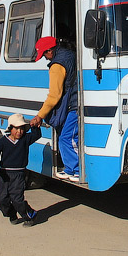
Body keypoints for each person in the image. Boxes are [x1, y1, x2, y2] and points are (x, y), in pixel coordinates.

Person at [30, 36, 79, 182]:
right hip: (75, 102)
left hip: (73, 105)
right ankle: (70, 169)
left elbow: (54, 95)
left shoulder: (57, 65)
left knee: (66, 137)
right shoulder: (71, 54)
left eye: (44, 54)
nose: (45, 58)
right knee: (68, 137)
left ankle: (76, 170)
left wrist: (40, 115)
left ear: (50, 50)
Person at [0, 114, 42, 226]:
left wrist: (34, 126)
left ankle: (30, 215)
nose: (19, 131)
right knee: (1, 199)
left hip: (18, 174)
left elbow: (37, 135)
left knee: (17, 198)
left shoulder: (25, 139)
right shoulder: (4, 141)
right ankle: (12, 214)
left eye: (22, 128)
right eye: (16, 128)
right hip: (4, 174)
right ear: (10, 128)